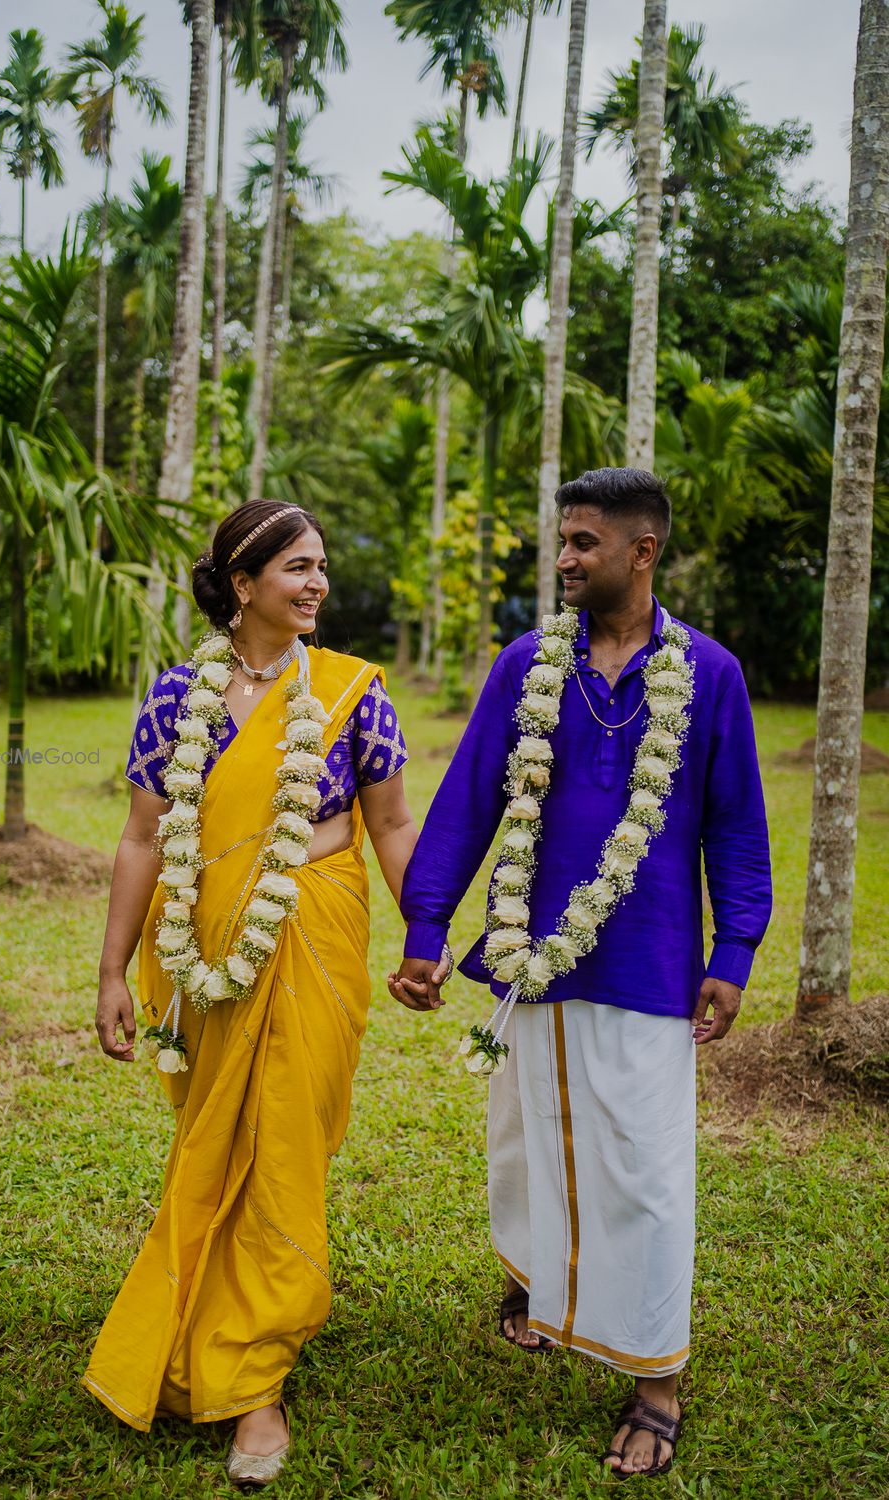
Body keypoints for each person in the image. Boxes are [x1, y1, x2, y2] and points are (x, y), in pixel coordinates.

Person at [389, 468, 772, 1480]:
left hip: (647, 965)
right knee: (528, 1147)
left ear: (640, 552)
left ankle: (655, 1385)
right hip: (529, 963)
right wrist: (427, 923)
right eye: (562, 539)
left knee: (642, 1171)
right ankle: (540, 1288)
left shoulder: (712, 675)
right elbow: (471, 793)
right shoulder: (528, 664)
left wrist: (732, 951)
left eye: (582, 542)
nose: (562, 559)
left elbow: (735, 824)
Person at [87, 500, 446, 1487]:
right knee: (220, 1137)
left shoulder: (353, 693)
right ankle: (217, 1317)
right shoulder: (176, 697)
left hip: (314, 938)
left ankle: (257, 1383)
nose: (316, 583)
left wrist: (428, 932)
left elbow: (391, 825)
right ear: (243, 584)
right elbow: (139, 838)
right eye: (296, 566)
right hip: (202, 948)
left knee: (283, 1145)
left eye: (320, 566)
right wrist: (113, 971)